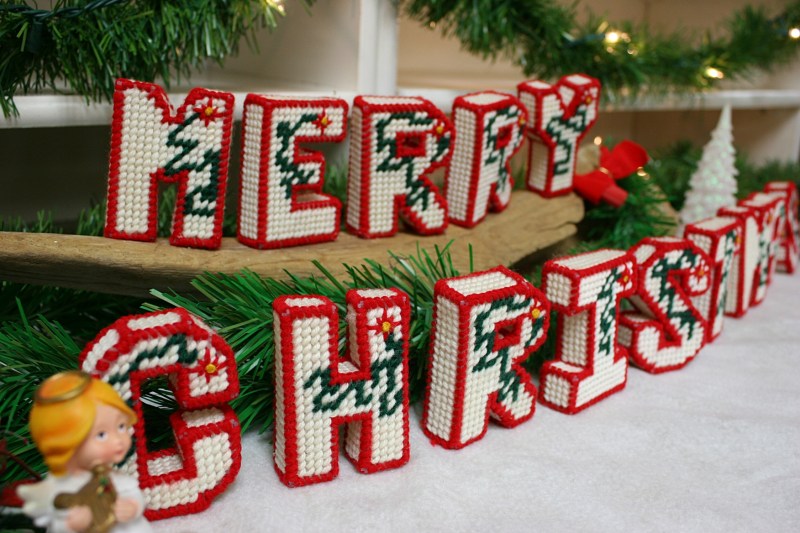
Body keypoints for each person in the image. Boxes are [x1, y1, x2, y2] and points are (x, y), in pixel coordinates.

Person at [17, 371, 152, 533]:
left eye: (121, 426)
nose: (118, 440)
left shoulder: (113, 477)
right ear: (64, 442)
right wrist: (71, 524)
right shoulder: (60, 486)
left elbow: (132, 493)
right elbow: (52, 521)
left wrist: (133, 506)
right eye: (101, 435)